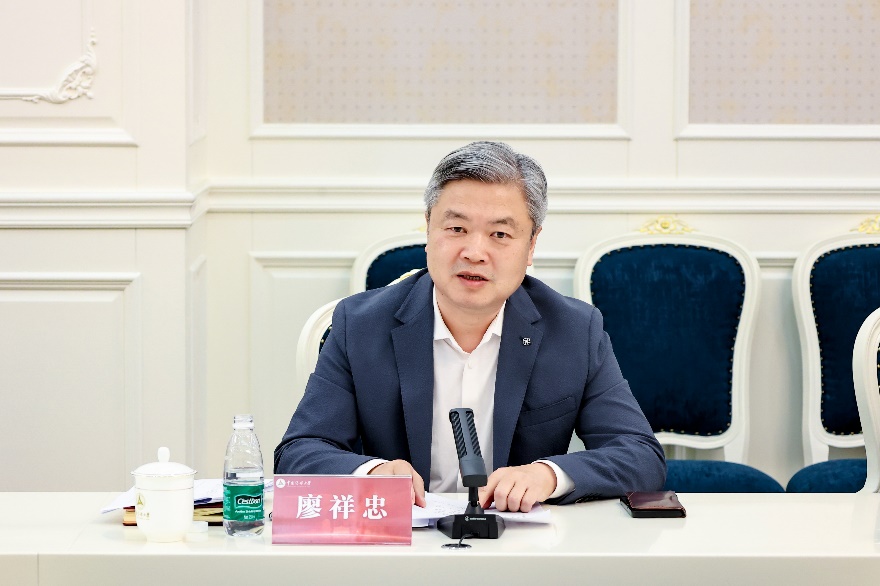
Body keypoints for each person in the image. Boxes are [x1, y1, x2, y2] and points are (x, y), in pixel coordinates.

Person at [274, 141, 666, 512]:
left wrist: (547, 475)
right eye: (456, 229)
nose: (475, 253)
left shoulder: (574, 330)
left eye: (500, 234)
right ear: (429, 229)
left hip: (520, 542)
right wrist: (372, 473)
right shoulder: (360, 325)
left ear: (531, 246)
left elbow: (640, 456)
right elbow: (299, 452)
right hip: (404, 543)